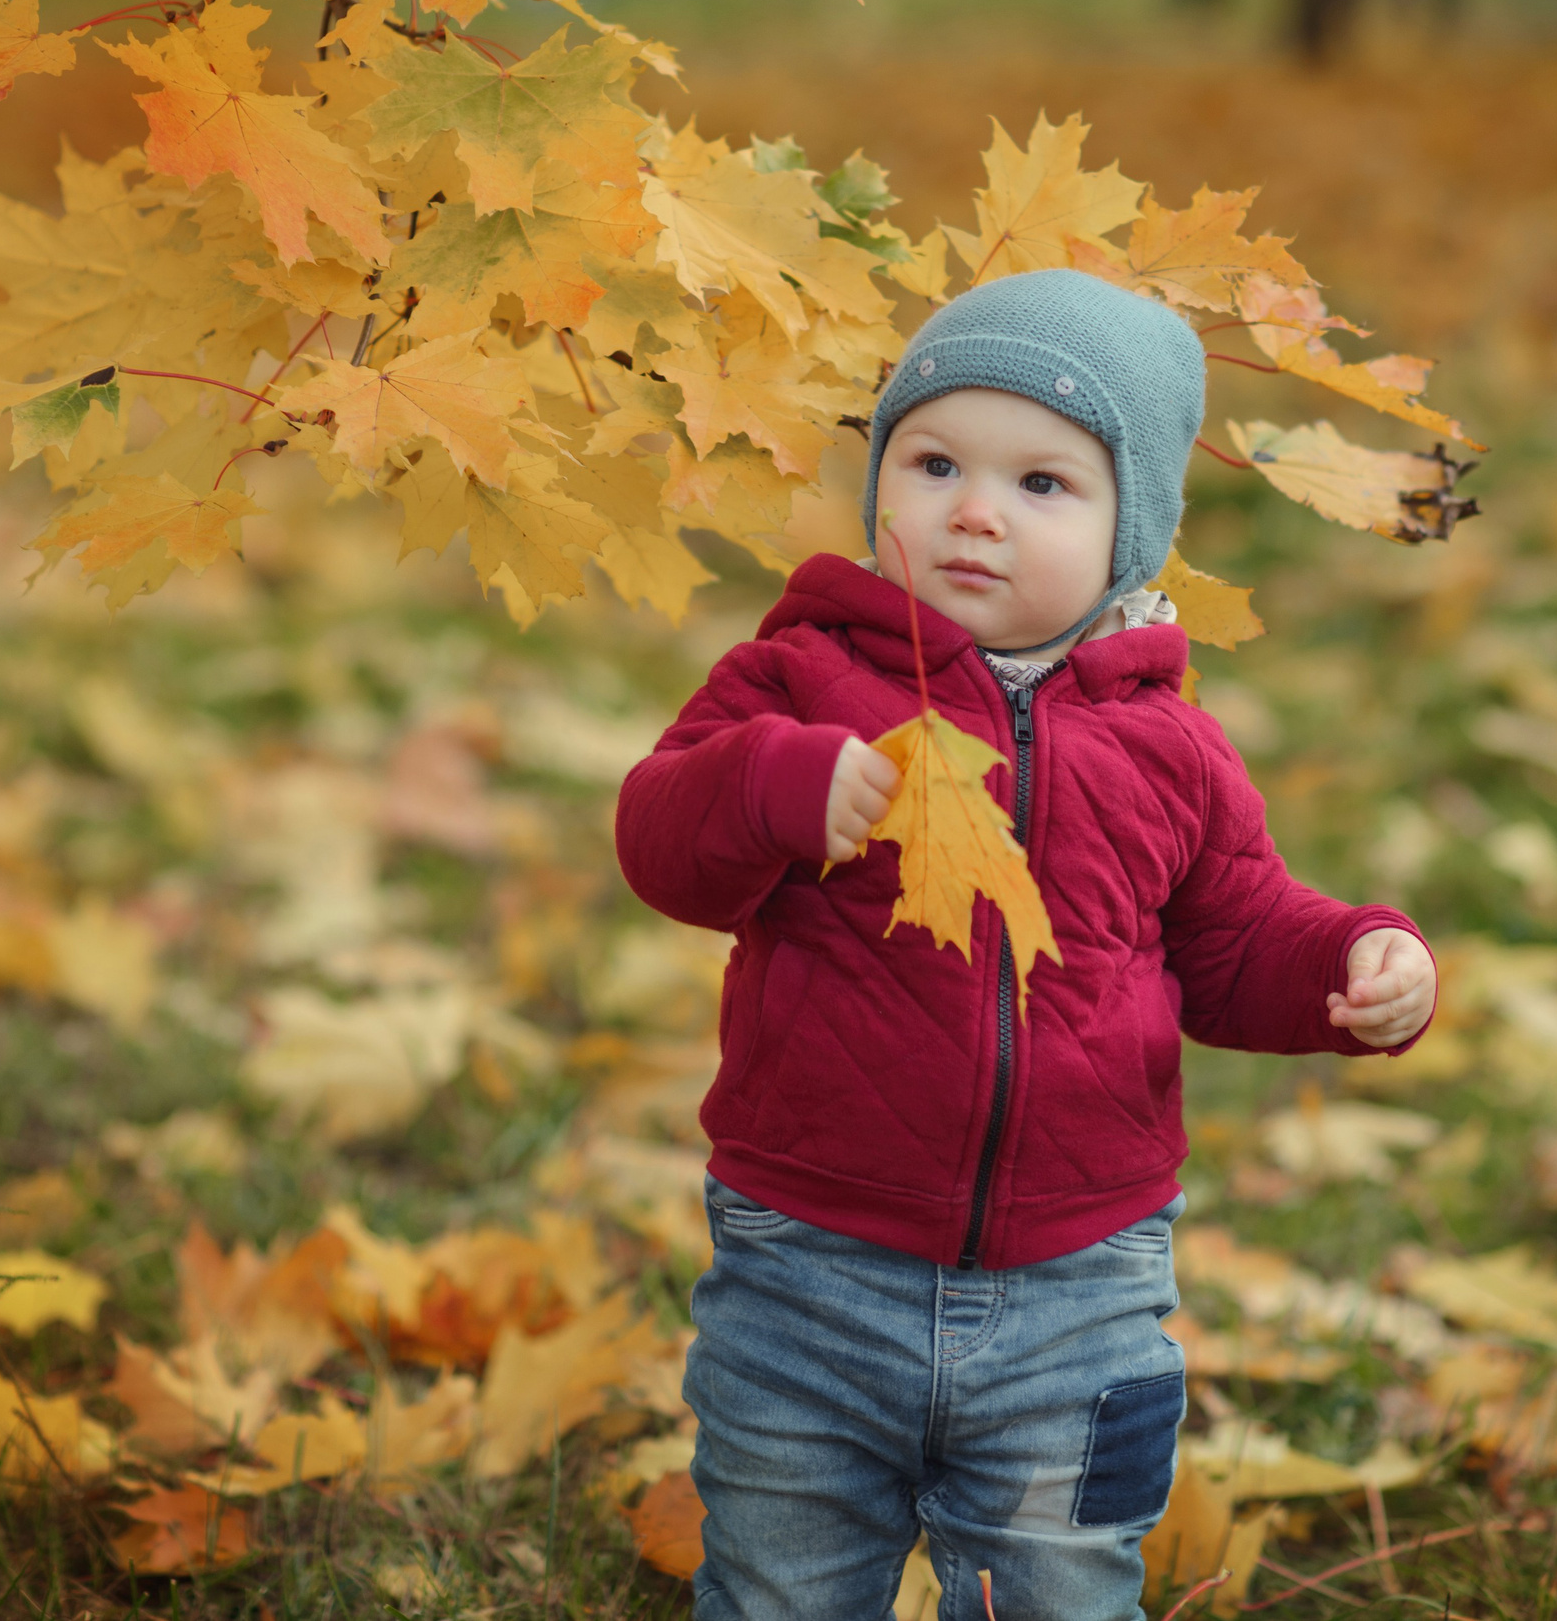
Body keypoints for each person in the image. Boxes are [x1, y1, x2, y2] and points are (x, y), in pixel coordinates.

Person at [616, 268, 1437, 1621]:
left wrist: (1357, 958)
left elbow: (1233, 937)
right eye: (934, 463)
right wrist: (770, 785)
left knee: (1056, 1584)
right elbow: (660, 838)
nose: (976, 512)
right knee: (783, 1578)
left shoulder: (1169, 747)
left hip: (1082, 1288)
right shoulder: (804, 679)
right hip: (811, 1263)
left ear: (1134, 534)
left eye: (1044, 484)